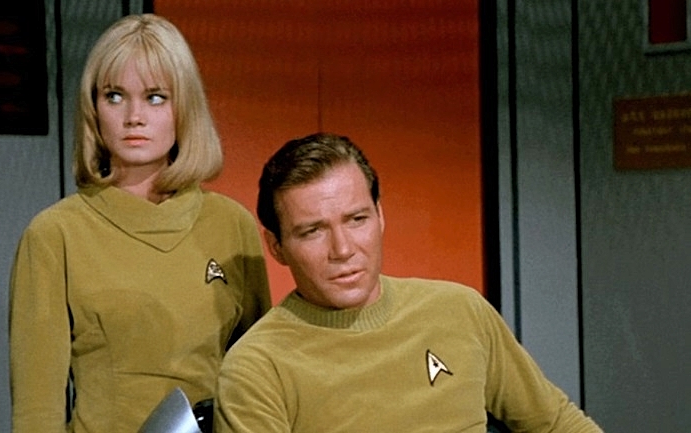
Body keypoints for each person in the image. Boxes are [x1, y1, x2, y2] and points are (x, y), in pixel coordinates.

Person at [214, 132, 604, 432]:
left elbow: (556, 423)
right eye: (313, 231)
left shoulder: (459, 310)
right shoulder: (257, 367)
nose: (343, 249)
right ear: (277, 247)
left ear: (380, 217)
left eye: (357, 220)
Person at [8, 14, 272, 433]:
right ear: (93, 108)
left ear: (185, 107)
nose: (134, 116)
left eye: (155, 97)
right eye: (115, 96)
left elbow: (258, 383)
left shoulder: (231, 224)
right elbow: (37, 412)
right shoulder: (54, 235)